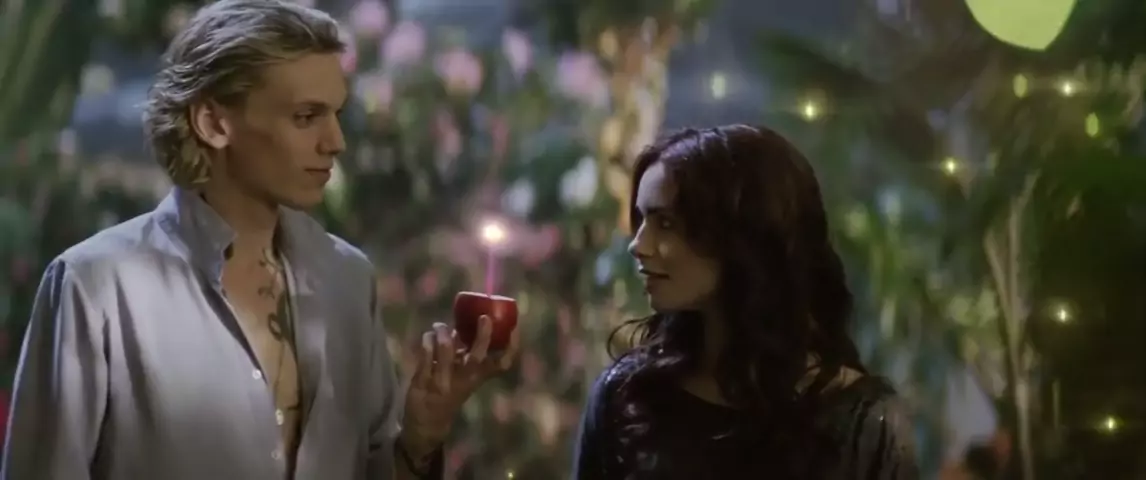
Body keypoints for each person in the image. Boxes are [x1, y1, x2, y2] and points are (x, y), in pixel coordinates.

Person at [1, 1, 517, 478]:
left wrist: (421, 437)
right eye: (306, 116)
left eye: (336, 114)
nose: (335, 142)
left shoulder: (347, 279)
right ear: (213, 121)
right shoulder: (97, 287)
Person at [573, 125, 919, 479]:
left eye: (666, 223)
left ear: (744, 237)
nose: (638, 245)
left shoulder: (860, 423)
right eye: (642, 219)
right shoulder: (628, 399)